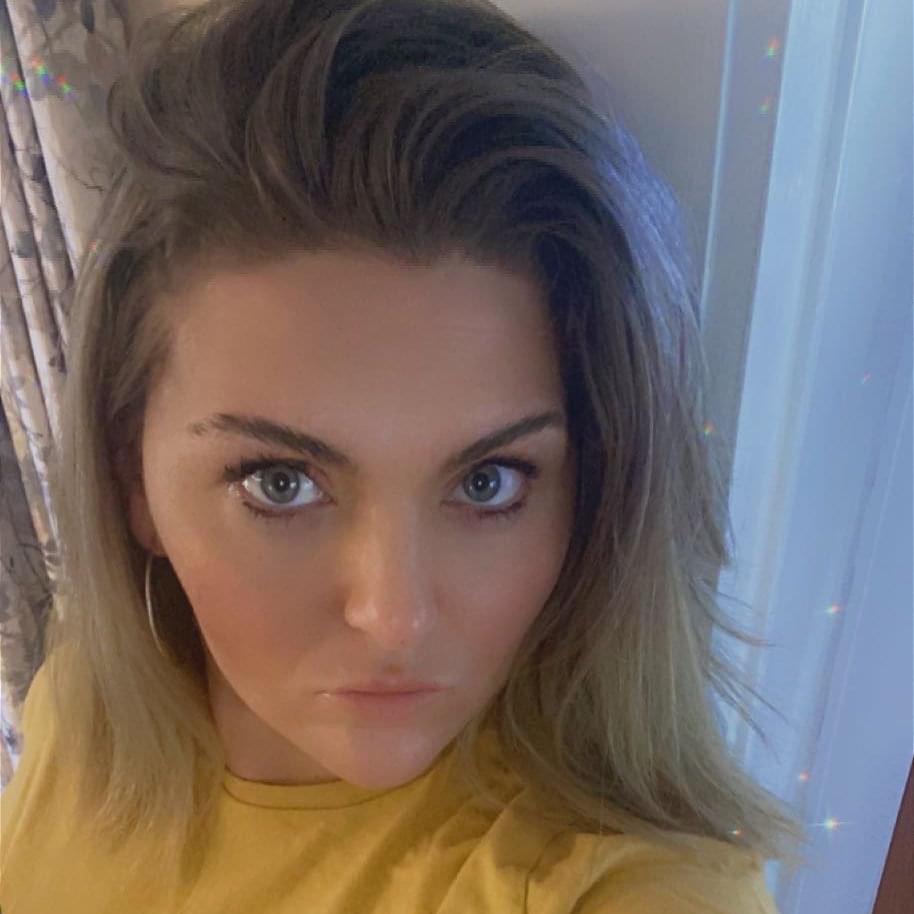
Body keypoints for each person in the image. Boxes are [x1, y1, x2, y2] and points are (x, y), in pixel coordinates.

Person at [0, 0, 809, 910]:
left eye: (488, 482)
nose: (396, 618)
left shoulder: (614, 883)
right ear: (131, 482)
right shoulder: (80, 706)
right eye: (280, 483)